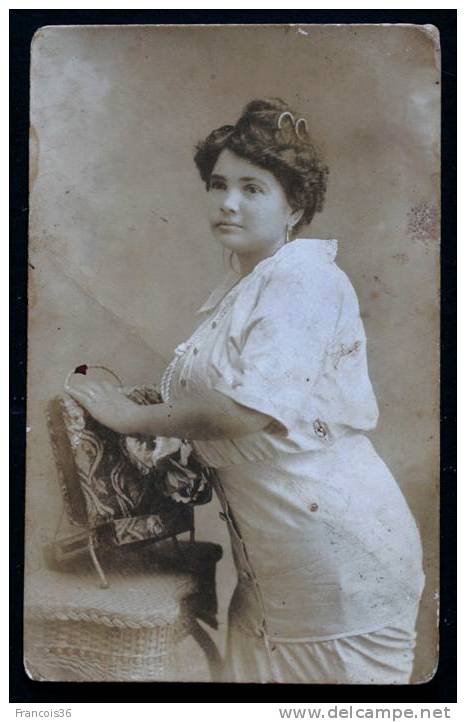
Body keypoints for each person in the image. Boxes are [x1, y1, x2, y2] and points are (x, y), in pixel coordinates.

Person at [67, 98, 425, 684]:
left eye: (252, 188)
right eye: (218, 184)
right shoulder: (245, 286)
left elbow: (244, 412)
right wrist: (188, 454)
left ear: (295, 207)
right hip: (274, 566)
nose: (228, 202)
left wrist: (131, 419)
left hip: (338, 564)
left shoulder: (303, 278)